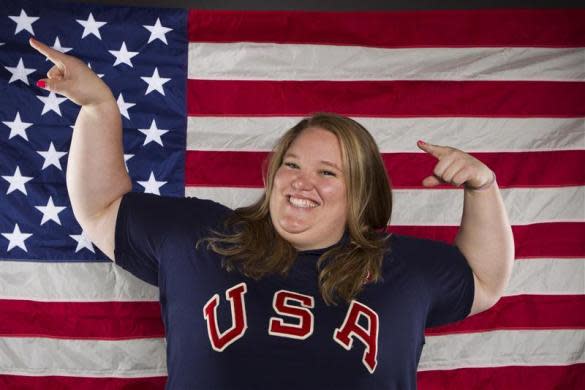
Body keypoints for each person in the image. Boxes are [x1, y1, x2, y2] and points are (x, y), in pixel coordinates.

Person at [29, 37, 514, 389]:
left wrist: (483, 187)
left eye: (328, 173)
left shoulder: (398, 268)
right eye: (292, 164)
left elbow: (485, 281)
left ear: (361, 194)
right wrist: (98, 108)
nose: (302, 182)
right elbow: (102, 207)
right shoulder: (206, 236)